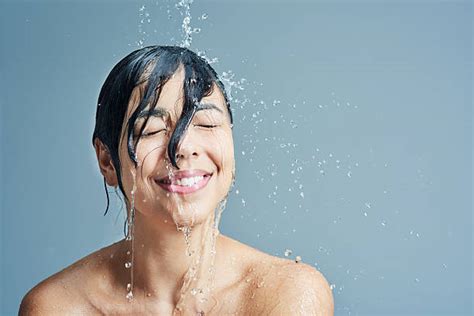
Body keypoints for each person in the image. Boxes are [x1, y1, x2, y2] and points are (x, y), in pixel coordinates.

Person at [19, 45, 334, 315]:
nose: (183, 148)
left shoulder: (283, 294)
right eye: (151, 130)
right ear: (106, 161)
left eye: (207, 123)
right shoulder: (59, 306)